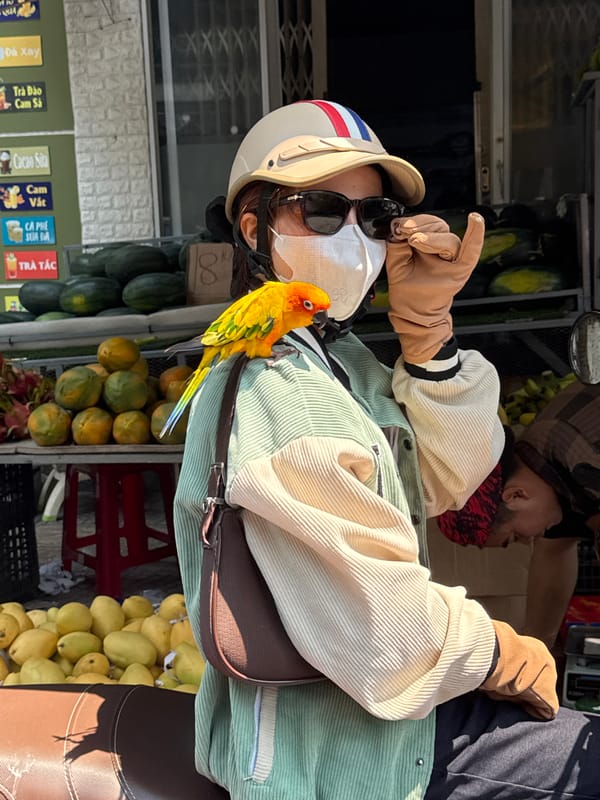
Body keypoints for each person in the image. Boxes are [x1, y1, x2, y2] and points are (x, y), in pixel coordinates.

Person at [173, 99, 600, 799]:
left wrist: (429, 340)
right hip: (337, 755)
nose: (354, 236)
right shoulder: (280, 385)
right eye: (320, 211)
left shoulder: (340, 363)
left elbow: (441, 480)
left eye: (372, 219)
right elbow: (382, 632)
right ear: (253, 230)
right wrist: (497, 650)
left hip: (392, 718)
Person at [438, 378, 600, 650]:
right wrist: (535, 652)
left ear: (515, 495)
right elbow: (553, 551)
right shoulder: (538, 458)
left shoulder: (585, 459)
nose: (527, 541)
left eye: (514, 535)